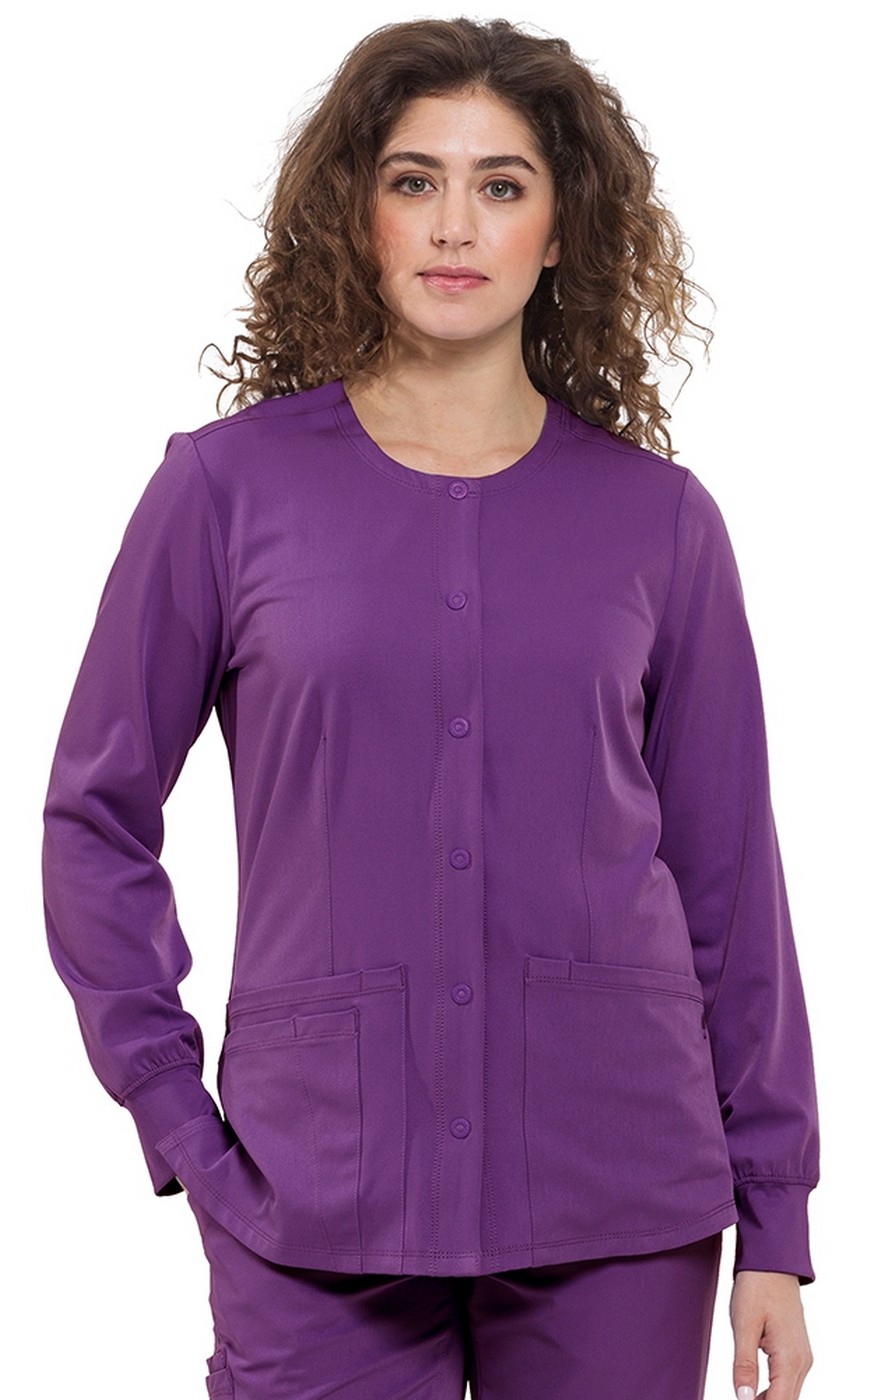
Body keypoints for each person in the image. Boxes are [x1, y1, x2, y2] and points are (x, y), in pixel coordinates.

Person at [41, 16, 820, 1400]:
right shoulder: (224, 492)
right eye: (414, 180)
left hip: (619, 1191)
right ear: (360, 211)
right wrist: (172, 1109)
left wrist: (774, 1215)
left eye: (501, 185)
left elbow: (729, 883)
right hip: (308, 1190)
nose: (455, 225)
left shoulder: (660, 522)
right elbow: (94, 817)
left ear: (562, 229)